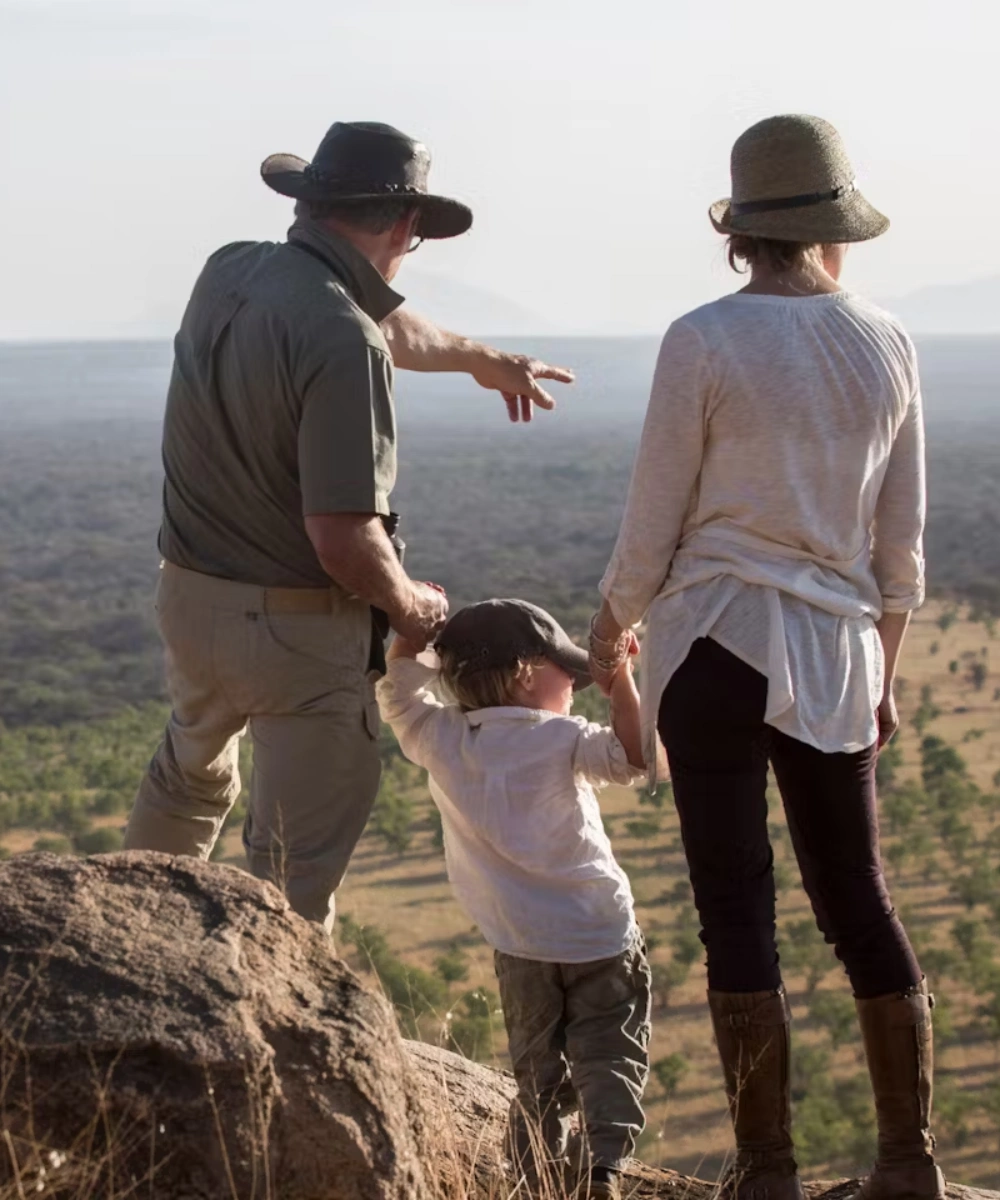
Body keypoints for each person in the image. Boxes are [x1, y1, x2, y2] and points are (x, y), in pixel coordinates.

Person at [589, 115, 943, 1200]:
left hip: (710, 647)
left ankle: (768, 1171)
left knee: (734, 908)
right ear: (835, 229)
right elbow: (901, 547)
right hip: (838, 653)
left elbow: (654, 518)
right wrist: (882, 672)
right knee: (859, 900)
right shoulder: (886, 342)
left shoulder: (701, 337)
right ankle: (906, 1162)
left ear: (740, 232)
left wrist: (611, 626)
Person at [124, 122, 573, 934]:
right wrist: (413, 610)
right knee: (289, 881)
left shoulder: (229, 271)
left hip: (189, 602)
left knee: (186, 786)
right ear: (405, 229)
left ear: (312, 203)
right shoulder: (345, 337)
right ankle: (286, 1050)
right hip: (296, 638)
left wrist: (482, 358)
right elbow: (344, 539)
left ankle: (117, 950)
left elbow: (379, 321)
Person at [375, 599, 650, 1200]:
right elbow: (637, 756)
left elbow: (397, 690)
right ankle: (605, 1168)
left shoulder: (442, 738)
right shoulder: (563, 737)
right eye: (565, 671)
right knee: (610, 1052)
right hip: (600, 933)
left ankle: (535, 1177)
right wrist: (621, 679)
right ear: (527, 673)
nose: (576, 682)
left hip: (519, 944)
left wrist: (425, 637)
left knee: (537, 1076)